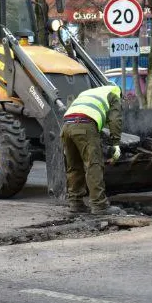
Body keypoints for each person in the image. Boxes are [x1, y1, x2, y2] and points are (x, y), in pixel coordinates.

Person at [61, 84, 124, 215]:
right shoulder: (115, 92)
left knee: (74, 166)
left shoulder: (89, 92)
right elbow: (115, 119)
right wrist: (115, 143)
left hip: (67, 126)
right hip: (83, 125)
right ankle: (99, 205)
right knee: (93, 164)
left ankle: (75, 203)